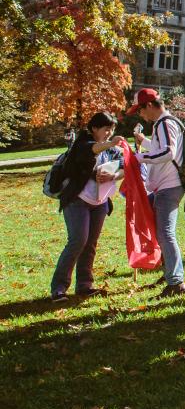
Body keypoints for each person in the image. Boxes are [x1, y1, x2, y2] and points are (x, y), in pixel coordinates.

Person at [50, 112, 125, 302]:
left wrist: (114, 176)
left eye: (112, 129)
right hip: (78, 200)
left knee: (90, 244)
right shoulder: (82, 144)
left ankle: (84, 285)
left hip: (99, 202)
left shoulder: (111, 150)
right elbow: (92, 150)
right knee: (77, 241)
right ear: (94, 128)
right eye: (106, 129)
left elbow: (123, 166)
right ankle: (59, 288)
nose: (109, 133)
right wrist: (110, 142)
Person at [130, 88, 185, 298]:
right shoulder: (166, 122)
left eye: (140, 110)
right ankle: (170, 273)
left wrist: (140, 158)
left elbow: (167, 152)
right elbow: (161, 147)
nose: (140, 115)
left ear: (149, 106)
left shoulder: (164, 123)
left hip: (168, 185)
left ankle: (176, 282)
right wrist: (144, 141)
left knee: (165, 233)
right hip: (167, 185)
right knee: (159, 230)